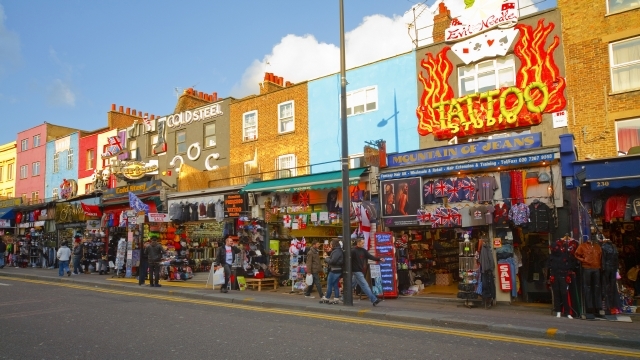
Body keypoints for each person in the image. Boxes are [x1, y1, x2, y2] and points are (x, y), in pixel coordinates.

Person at [351, 237, 385, 306]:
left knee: (351, 285)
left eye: (364, 243)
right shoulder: (353, 251)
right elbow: (349, 261)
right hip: (356, 271)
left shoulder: (363, 250)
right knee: (365, 285)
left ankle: (344, 297)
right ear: (358, 243)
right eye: (362, 243)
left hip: (359, 271)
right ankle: (374, 299)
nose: (363, 244)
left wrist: (379, 259)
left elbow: (370, 256)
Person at [322, 239, 343, 304]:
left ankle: (327, 297)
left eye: (331, 244)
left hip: (334, 270)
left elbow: (332, 261)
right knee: (335, 284)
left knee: (330, 284)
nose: (330, 245)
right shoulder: (338, 250)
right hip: (337, 270)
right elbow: (334, 259)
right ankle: (336, 298)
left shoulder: (336, 251)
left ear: (334, 244)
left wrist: (326, 258)